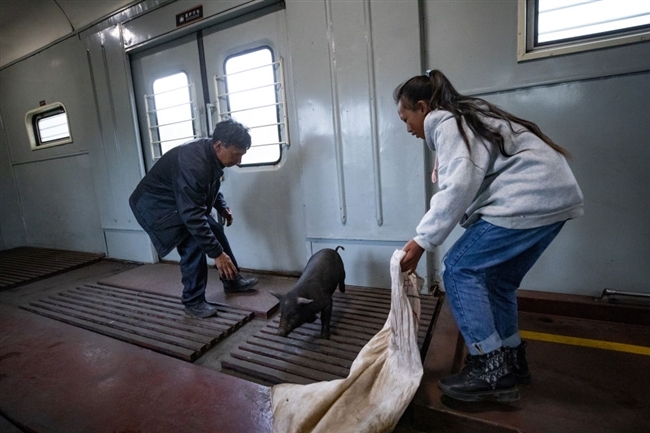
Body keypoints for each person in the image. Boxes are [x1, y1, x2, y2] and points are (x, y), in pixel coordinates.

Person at [394, 70, 584, 402]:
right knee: (498, 282)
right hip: (553, 198)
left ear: (423, 108)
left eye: (405, 117)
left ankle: (490, 370)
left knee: (458, 268)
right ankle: (510, 360)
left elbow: (458, 187)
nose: (406, 127)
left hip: (530, 197)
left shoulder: (449, 125)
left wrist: (422, 240)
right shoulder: (468, 118)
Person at [129, 118, 258, 319]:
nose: (239, 161)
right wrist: (217, 254)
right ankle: (193, 301)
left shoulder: (211, 153)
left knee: (214, 228)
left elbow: (209, 185)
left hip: (176, 201)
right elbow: (192, 214)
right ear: (219, 145)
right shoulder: (193, 163)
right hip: (155, 206)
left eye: (242, 155)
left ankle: (231, 280)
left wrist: (221, 206)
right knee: (193, 242)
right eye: (236, 155)